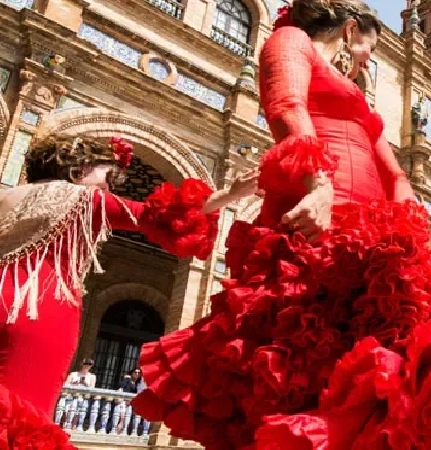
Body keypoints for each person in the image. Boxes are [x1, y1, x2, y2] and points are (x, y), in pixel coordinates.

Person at [129, 0, 431, 448]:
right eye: (367, 48)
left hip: (373, 233)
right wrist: (319, 182)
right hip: (319, 215)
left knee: (382, 367)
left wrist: (411, 233)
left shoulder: (350, 89)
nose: (366, 60)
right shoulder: (291, 41)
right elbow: (286, 106)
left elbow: (393, 170)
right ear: (350, 30)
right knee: (309, 354)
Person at [0, 132, 250, 448]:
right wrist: (231, 193)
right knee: (24, 417)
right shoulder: (84, 198)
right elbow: (160, 216)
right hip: (40, 310)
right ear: (80, 169)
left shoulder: (8, 196)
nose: (108, 188)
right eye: (106, 177)